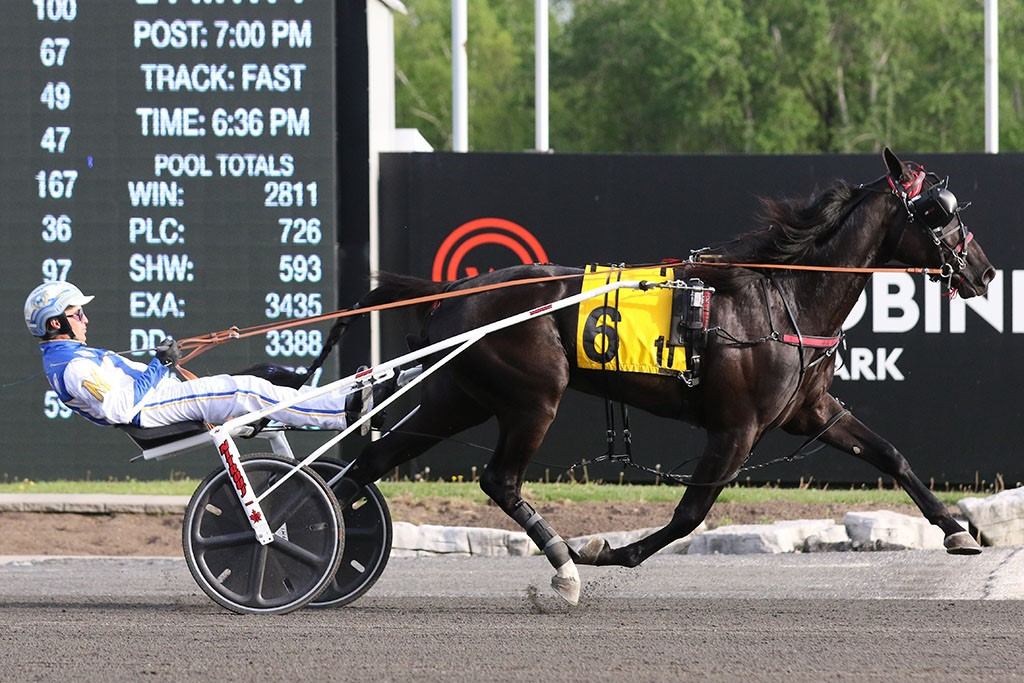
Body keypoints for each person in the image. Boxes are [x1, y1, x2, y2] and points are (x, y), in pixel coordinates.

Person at [25, 281, 384, 431]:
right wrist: (160, 365)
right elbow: (119, 408)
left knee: (257, 380)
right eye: (77, 314)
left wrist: (162, 367)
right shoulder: (73, 367)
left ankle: (342, 400)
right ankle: (343, 414)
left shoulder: (74, 356)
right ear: (55, 322)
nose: (85, 319)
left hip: (158, 401)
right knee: (246, 390)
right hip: (151, 410)